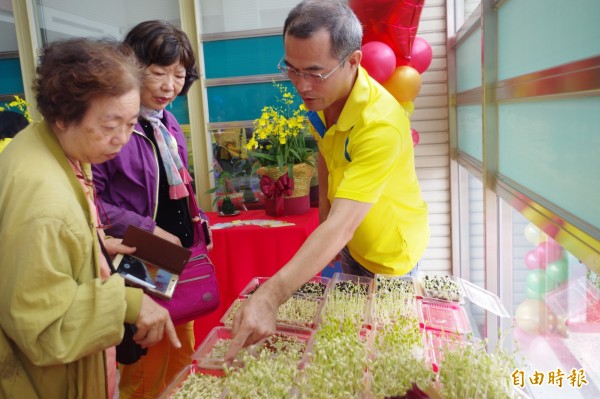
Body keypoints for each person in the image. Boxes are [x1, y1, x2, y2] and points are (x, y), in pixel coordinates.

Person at [225, 0, 429, 360]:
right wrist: (324, 224)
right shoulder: (324, 97)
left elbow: (343, 225)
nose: (302, 86)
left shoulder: (380, 124)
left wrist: (271, 296)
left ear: (353, 61)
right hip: (351, 241)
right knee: (349, 342)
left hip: (389, 253)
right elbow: (326, 154)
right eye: (292, 69)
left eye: (315, 72)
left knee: (387, 357)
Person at [0, 38, 180, 399]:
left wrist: (93, 245)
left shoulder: (45, 143)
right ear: (64, 114)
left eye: (131, 124)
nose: (122, 140)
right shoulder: (44, 203)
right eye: (111, 125)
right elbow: (42, 329)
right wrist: (129, 303)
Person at [92, 20, 208, 398]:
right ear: (129, 69)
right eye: (158, 73)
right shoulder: (113, 126)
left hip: (174, 254)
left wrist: (199, 226)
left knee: (182, 350)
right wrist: (147, 229)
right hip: (140, 255)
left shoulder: (169, 122)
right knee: (146, 358)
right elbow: (91, 200)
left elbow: (181, 185)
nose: (169, 86)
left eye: (178, 75)